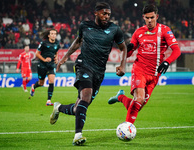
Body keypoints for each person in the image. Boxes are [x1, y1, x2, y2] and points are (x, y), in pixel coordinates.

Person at [50, 2, 127, 146]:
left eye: (109, 14)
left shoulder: (114, 29)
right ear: (96, 13)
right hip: (83, 64)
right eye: (104, 13)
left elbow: (123, 47)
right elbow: (78, 41)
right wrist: (65, 57)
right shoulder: (85, 25)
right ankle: (78, 135)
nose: (106, 17)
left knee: (80, 106)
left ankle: (59, 107)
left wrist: (123, 64)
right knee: (85, 96)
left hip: (99, 71)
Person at [108, 4, 181, 125]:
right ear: (143, 17)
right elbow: (128, 54)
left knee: (137, 106)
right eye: (147, 18)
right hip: (139, 69)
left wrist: (167, 62)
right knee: (139, 99)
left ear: (157, 16)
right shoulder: (138, 32)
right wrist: (128, 48)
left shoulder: (164, 30)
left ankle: (120, 97)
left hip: (154, 74)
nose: (150, 20)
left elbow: (177, 50)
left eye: (152, 17)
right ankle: (127, 128)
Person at [30, 29, 60, 106]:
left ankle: (48, 101)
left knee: (51, 81)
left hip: (51, 65)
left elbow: (56, 52)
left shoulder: (57, 43)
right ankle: (34, 86)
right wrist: (44, 59)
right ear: (49, 35)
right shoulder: (43, 43)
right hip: (42, 65)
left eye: (55, 34)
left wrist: (56, 59)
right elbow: (37, 54)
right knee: (41, 83)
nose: (53, 35)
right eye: (52, 34)